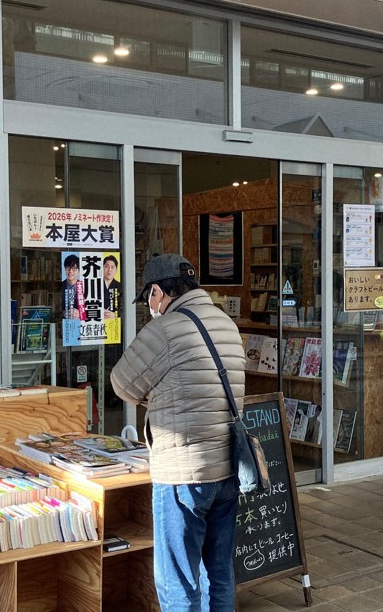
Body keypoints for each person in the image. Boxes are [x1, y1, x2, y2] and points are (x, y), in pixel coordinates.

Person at [110, 254, 243, 612]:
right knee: (220, 573)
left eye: (148, 299)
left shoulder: (164, 329)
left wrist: (157, 394)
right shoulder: (226, 323)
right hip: (228, 468)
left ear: (157, 292)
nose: (149, 307)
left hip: (182, 475)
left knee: (178, 580)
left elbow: (121, 383)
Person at [62, 254, 82, 320]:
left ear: (79, 271)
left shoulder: (85, 287)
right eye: (68, 268)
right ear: (65, 269)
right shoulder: (60, 286)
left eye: (74, 268)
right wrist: (63, 313)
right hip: (65, 323)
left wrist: (80, 313)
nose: (70, 271)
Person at [102, 254, 121, 319]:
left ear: (116, 270)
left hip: (114, 323)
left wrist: (116, 314)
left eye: (112, 267)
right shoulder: (96, 285)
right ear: (103, 268)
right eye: (106, 266)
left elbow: (125, 307)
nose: (109, 270)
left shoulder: (120, 286)